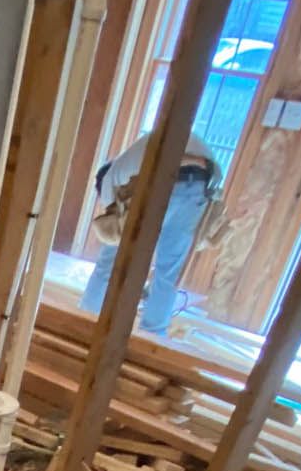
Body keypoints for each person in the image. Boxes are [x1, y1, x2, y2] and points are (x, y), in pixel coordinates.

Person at [79, 130, 220, 334]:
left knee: (108, 260)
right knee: (169, 272)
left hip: (161, 179)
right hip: (198, 184)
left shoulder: (110, 181)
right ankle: (152, 336)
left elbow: (115, 233)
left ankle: (86, 320)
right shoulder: (128, 162)